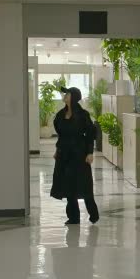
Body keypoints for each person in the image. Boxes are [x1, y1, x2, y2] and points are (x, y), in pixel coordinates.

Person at [50, 86, 100, 224]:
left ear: (74, 97)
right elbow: (61, 135)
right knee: (68, 184)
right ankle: (73, 217)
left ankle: (93, 214)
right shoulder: (60, 114)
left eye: (68, 93)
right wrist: (57, 150)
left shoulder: (83, 115)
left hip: (79, 153)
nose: (65, 95)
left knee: (84, 184)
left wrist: (89, 153)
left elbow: (90, 134)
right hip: (64, 154)